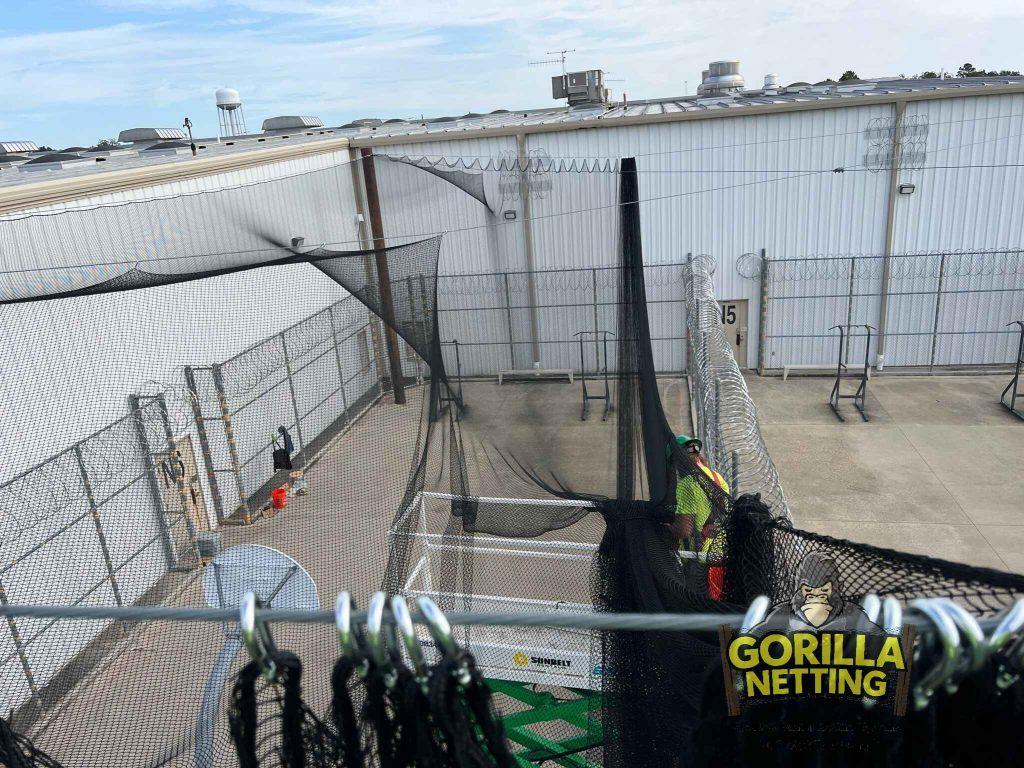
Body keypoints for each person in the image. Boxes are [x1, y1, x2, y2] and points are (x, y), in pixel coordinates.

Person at [666, 434, 730, 553]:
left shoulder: (686, 484)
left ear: (678, 461)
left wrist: (666, 529)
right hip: (720, 550)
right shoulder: (718, 478)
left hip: (697, 556)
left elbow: (684, 530)